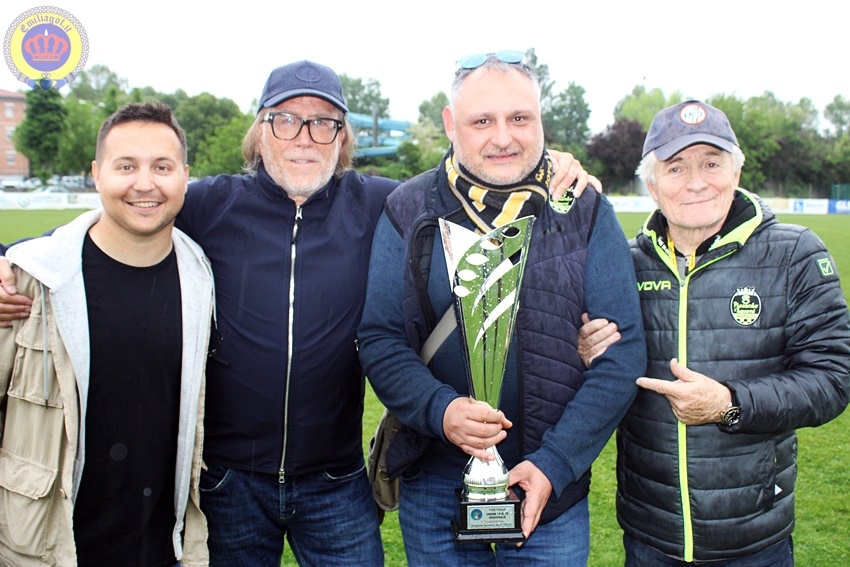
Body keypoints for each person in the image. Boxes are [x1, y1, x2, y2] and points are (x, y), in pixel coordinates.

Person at [0, 60, 596, 566]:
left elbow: (475, 176)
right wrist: (12, 260)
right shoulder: (210, 205)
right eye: (286, 120)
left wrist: (553, 165)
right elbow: (118, 218)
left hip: (335, 480)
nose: (304, 137)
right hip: (228, 481)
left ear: (342, 137)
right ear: (261, 132)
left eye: (323, 123)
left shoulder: (383, 203)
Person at [357, 51, 646, 566]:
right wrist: (441, 410)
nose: (504, 137)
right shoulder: (407, 208)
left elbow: (622, 356)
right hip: (435, 486)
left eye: (519, 118)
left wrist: (555, 463)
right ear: (451, 124)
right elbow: (380, 338)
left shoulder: (583, 208)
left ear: (541, 121)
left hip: (550, 495)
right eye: (482, 121)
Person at [578, 100, 850, 565]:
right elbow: (591, 377)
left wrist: (729, 404)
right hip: (650, 535)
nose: (696, 182)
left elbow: (833, 378)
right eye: (676, 167)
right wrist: (586, 354)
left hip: (754, 536)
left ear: (736, 172)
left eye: (711, 163)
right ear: (651, 184)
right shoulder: (622, 263)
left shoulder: (795, 255)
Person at [0, 102, 214, 566]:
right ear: (97, 174)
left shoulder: (202, 279)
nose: (145, 183)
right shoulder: (29, 281)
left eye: (162, 167)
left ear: (185, 177)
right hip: (51, 548)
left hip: (162, 549)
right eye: (126, 166)